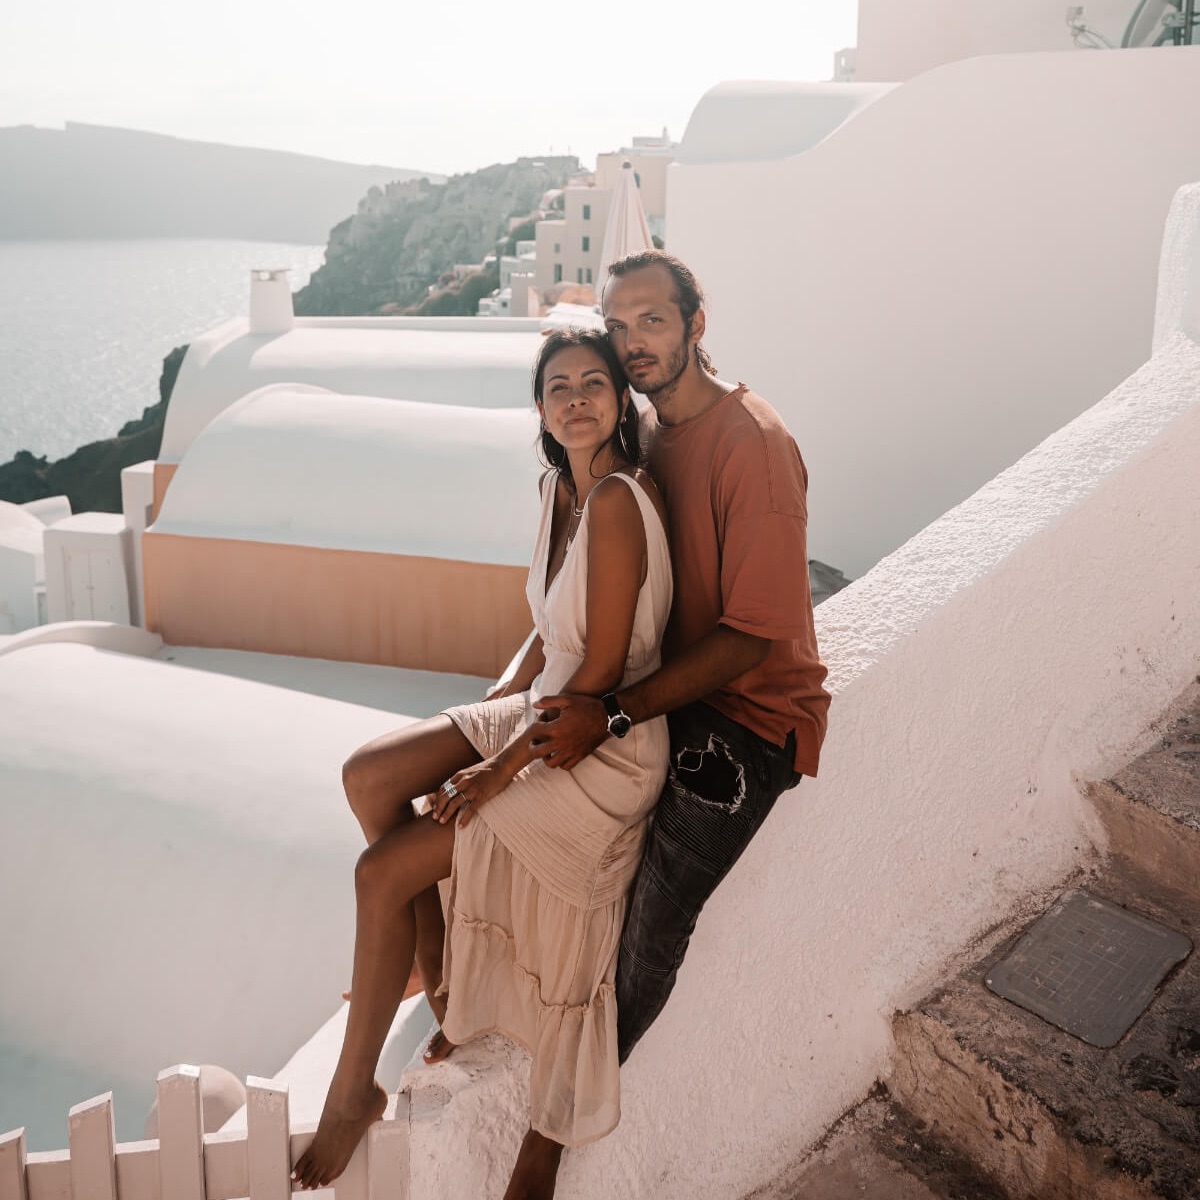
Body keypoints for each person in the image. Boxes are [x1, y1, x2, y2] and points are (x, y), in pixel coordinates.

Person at [291, 327, 673, 1199]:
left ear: (620, 398)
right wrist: (485, 705)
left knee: (382, 871)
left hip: (602, 746)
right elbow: (550, 627)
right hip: (541, 707)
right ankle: (436, 957)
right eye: (556, 387)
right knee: (371, 777)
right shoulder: (559, 488)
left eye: (592, 384)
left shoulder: (618, 497)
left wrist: (494, 766)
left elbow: (602, 674)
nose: (575, 399)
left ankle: (354, 1093)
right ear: (539, 407)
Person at [533, 251, 831, 1062]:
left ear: (697, 326)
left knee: (653, 917)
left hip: (748, 720)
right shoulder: (650, 431)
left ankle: (556, 1122)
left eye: (653, 322)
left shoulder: (754, 442)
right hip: (659, 693)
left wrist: (614, 711)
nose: (633, 345)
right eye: (619, 326)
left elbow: (752, 637)